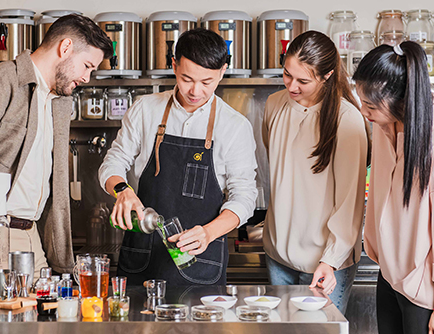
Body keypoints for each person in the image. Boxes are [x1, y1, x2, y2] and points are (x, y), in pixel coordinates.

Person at [99, 27, 257, 286]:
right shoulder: (145, 109)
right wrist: (122, 190)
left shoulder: (235, 126)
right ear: (174, 65)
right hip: (142, 258)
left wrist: (207, 233)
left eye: (207, 82)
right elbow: (113, 161)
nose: (195, 91)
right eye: (187, 79)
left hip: (200, 261)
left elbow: (245, 196)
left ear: (222, 71)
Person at [0, 14, 113, 277]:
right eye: (87, 65)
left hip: (32, 236)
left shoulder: (57, 102)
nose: (87, 77)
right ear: (65, 47)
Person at [262, 30, 369, 314]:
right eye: (287, 74)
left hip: (325, 261)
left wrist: (331, 259)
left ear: (326, 76)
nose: (292, 86)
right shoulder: (274, 105)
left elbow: (350, 203)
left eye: (303, 80)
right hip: (277, 254)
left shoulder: (347, 120)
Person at [353, 41, 434, 334]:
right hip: (387, 273)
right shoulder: (383, 127)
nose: (364, 111)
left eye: (371, 106)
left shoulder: (430, 140)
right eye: (362, 102)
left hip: (423, 286)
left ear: (401, 100)